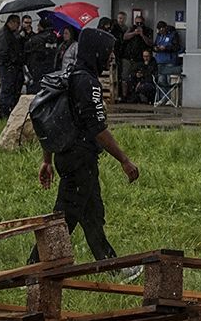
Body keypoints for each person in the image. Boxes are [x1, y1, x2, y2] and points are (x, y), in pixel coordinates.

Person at [34, 27, 141, 265]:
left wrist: (47, 160)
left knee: (93, 214)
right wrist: (124, 160)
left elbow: (54, 121)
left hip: (73, 157)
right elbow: (97, 129)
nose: (111, 57)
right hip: (78, 159)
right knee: (63, 218)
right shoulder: (87, 82)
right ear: (96, 52)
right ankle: (34, 267)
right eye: (108, 52)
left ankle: (109, 265)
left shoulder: (71, 74)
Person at [0, 14, 26, 119]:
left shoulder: (12, 34)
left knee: (12, 90)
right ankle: (4, 113)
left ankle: (9, 111)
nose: (18, 26)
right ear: (11, 22)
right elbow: (3, 53)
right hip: (7, 67)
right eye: (17, 23)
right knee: (7, 89)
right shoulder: (4, 35)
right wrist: (12, 62)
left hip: (12, 67)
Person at [119, 19, 152, 104]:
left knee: (138, 77)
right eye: (137, 23)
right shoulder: (131, 28)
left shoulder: (147, 30)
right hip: (128, 57)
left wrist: (142, 34)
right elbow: (125, 37)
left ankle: (138, 97)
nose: (139, 25)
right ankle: (124, 97)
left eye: (140, 23)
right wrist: (134, 33)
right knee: (125, 77)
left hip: (139, 59)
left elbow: (150, 43)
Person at [152, 20, 183, 104]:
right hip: (160, 60)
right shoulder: (159, 36)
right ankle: (163, 98)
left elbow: (176, 47)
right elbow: (154, 45)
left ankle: (171, 98)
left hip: (170, 60)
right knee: (161, 80)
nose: (161, 31)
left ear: (165, 28)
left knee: (169, 80)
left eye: (162, 29)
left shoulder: (173, 35)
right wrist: (156, 48)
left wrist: (166, 48)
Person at [24, 17, 64, 82]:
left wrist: (29, 35)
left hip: (38, 68)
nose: (37, 26)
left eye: (39, 25)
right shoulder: (54, 37)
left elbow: (26, 47)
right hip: (50, 66)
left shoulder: (37, 38)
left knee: (37, 88)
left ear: (42, 26)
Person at [101, 12, 127, 100]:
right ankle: (116, 94)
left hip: (116, 54)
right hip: (112, 54)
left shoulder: (116, 31)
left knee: (116, 75)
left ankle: (117, 94)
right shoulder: (114, 31)